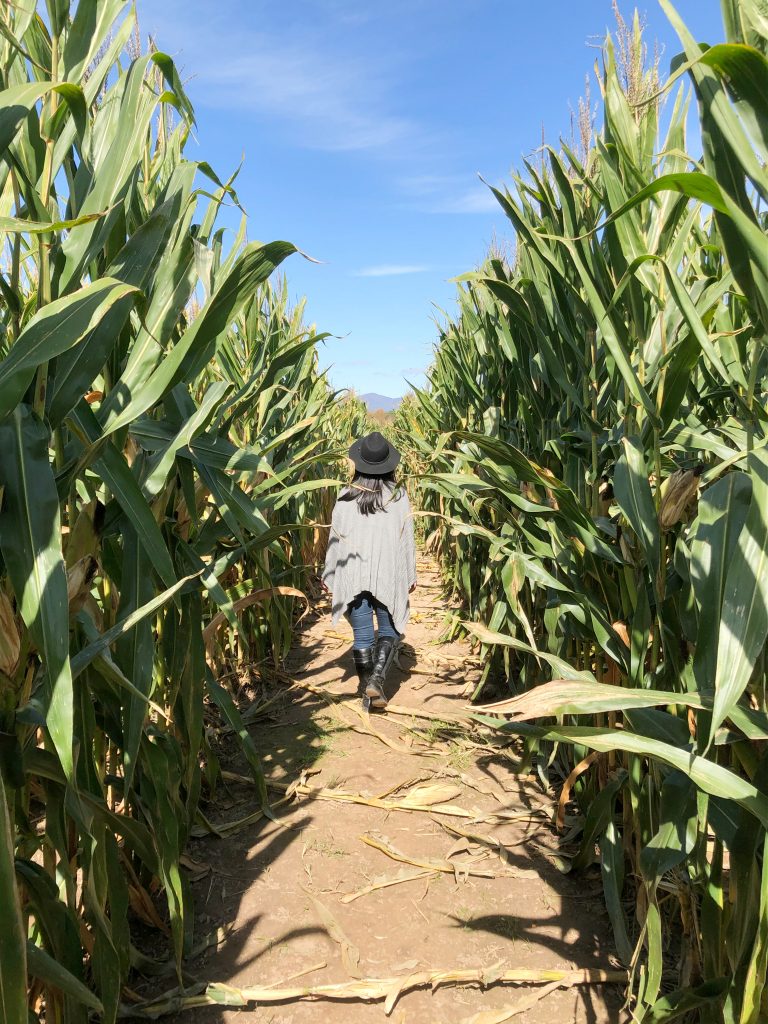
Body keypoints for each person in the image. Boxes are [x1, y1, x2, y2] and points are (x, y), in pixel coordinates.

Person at [322, 431, 417, 709]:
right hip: (387, 573)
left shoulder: (344, 497)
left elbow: (335, 539)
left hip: (352, 575)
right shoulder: (398, 497)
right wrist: (409, 574)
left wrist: (330, 575)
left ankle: (365, 689)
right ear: (389, 466)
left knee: (363, 635)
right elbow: (406, 538)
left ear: (359, 464)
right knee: (389, 630)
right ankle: (376, 681)